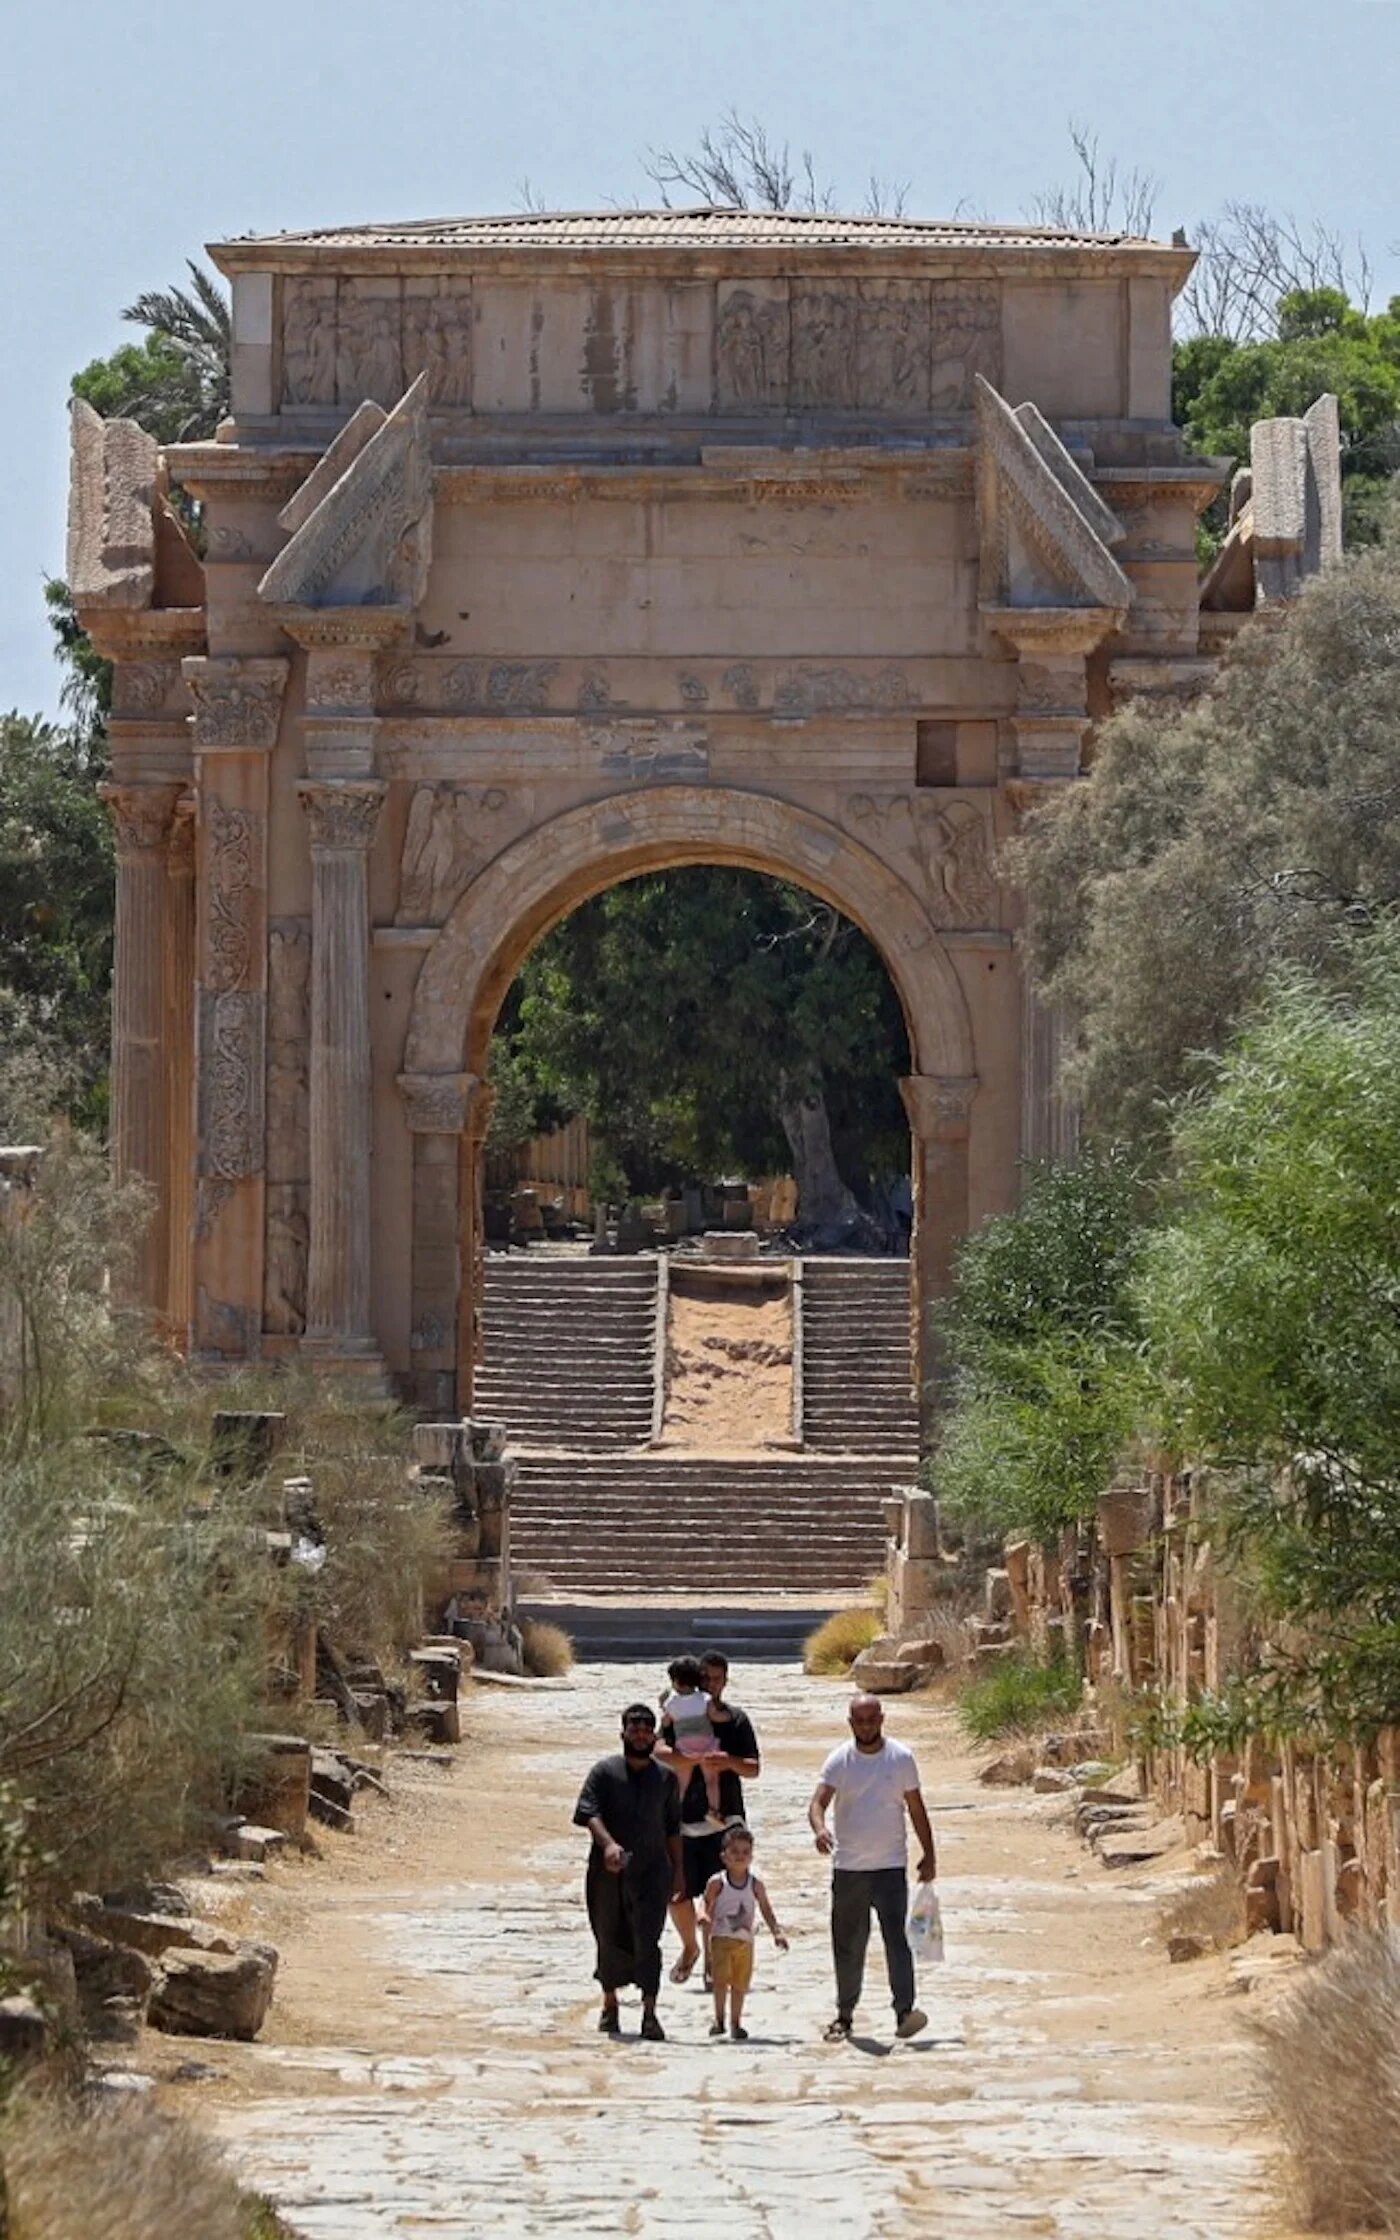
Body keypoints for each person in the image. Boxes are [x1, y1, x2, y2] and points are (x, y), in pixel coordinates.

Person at [808, 1693, 937, 2042]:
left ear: (882, 1719)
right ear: (851, 1723)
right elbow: (818, 1802)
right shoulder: (840, 1760)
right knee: (848, 1943)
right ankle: (845, 2014)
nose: (866, 1726)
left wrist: (929, 1852)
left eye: (871, 1719)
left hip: (890, 1866)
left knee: (898, 1941)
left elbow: (916, 1807)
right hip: (849, 1867)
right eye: (859, 1720)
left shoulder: (900, 1758)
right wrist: (820, 1829)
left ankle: (904, 2011)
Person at [573, 1703, 684, 2041]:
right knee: (607, 1935)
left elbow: (672, 1828)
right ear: (622, 1733)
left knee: (648, 1940)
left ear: (654, 1735)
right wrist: (607, 1844)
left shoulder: (665, 1778)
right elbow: (588, 1812)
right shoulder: (604, 1773)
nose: (640, 1735)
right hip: (608, 1874)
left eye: (646, 1729)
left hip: (652, 1871)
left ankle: (650, 2013)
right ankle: (610, 2005)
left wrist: (679, 1871)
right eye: (634, 1729)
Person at [664, 1650, 761, 1986]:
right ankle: (690, 1948)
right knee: (677, 1894)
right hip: (682, 1823)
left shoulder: (736, 1720)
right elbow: (658, 1751)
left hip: (726, 1825)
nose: (711, 1684)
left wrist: (728, 1762)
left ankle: (712, 1963)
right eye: (705, 1678)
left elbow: (753, 1768)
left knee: (721, 1896)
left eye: (716, 1679)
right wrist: (686, 1760)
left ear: (725, 1681)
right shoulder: (679, 1712)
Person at [701, 1821, 788, 2042]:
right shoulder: (717, 1882)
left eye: (746, 1852)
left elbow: (766, 1908)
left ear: (752, 1856)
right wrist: (703, 1915)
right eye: (735, 1852)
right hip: (720, 1939)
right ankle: (719, 2019)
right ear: (724, 1856)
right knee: (720, 1982)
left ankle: (736, 2022)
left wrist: (776, 1932)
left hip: (745, 1942)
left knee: (740, 1985)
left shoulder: (755, 1884)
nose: (740, 1856)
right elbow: (706, 1901)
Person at [656, 1656, 726, 1828]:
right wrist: (727, 1716)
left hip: (684, 1746)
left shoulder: (671, 1703)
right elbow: (715, 1716)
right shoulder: (705, 1698)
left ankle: (674, 1813)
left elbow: (665, 1723)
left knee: (681, 1783)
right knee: (711, 1780)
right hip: (706, 1744)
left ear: (676, 1682)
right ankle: (713, 1811)